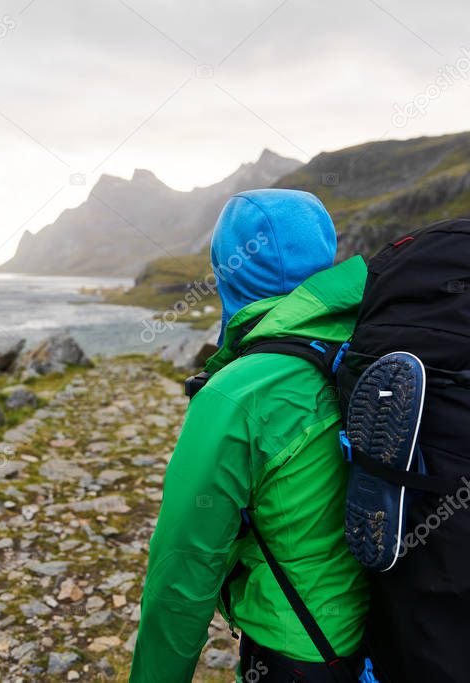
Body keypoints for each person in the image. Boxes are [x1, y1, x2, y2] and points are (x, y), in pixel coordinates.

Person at [130, 188, 370, 682]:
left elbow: (183, 570)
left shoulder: (235, 394)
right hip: (390, 633)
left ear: (228, 269)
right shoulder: (372, 345)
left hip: (300, 652)